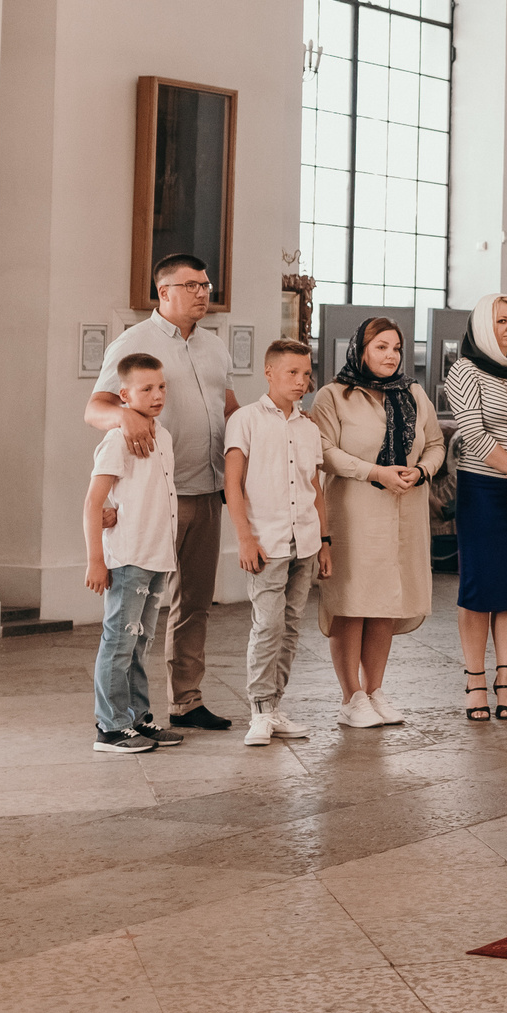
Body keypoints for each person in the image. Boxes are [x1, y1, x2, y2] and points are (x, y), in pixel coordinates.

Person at [88, 253, 238, 731]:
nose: (202, 292)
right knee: (139, 611)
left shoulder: (216, 347)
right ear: (164, 292)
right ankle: (129, 714)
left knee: (195, 603)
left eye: (206, 284)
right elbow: (96, 407)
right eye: (191, 285)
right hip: (154, 502)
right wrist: (125, 415)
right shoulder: (135, 342)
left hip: (207, 489)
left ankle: (187, 701)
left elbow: (228, 407)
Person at [310, 317, 444, 728]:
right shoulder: (333, 396)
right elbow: (324, 451)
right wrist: (374, 471)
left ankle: (375, 691)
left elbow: (436, 444)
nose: (391, 355)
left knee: (385, 602)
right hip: (355, 512)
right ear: (362, 349)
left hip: (405, 512)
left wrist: (420, 471)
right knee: (352, 603)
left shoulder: (414, 394)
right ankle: (351, 698)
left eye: (397, 348)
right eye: (381, 346)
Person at [443, 293, 507, 721]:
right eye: (501, 320)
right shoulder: (464, 370)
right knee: (478, 590)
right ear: (484, 325)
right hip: (484, 490)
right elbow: (471, 429)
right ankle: (474, 682)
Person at [224, 339, 330, 747]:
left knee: (289, 628)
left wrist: (325, 542)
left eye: (306, 374)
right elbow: (232, 484)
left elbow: (315, 488)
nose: (301, 381)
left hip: (304, 543)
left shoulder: (309, 428)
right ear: (269, 373)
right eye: (292, 373)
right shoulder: (246, 420)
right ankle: (259, 710)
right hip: (265, 543)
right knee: (266, 626)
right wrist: (244, 538)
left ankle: (275, 706)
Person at [84, 353, 182, 753]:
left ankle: (138, 719)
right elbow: (94, 502)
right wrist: (96, 559)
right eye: (147, 389)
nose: (157, 395)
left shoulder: (165, 436)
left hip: (157, 555)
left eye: (161, 387)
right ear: (124, 395)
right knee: (119, 642)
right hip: (128, 558)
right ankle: (109, 726)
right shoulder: (116, 439)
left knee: (141, 643)